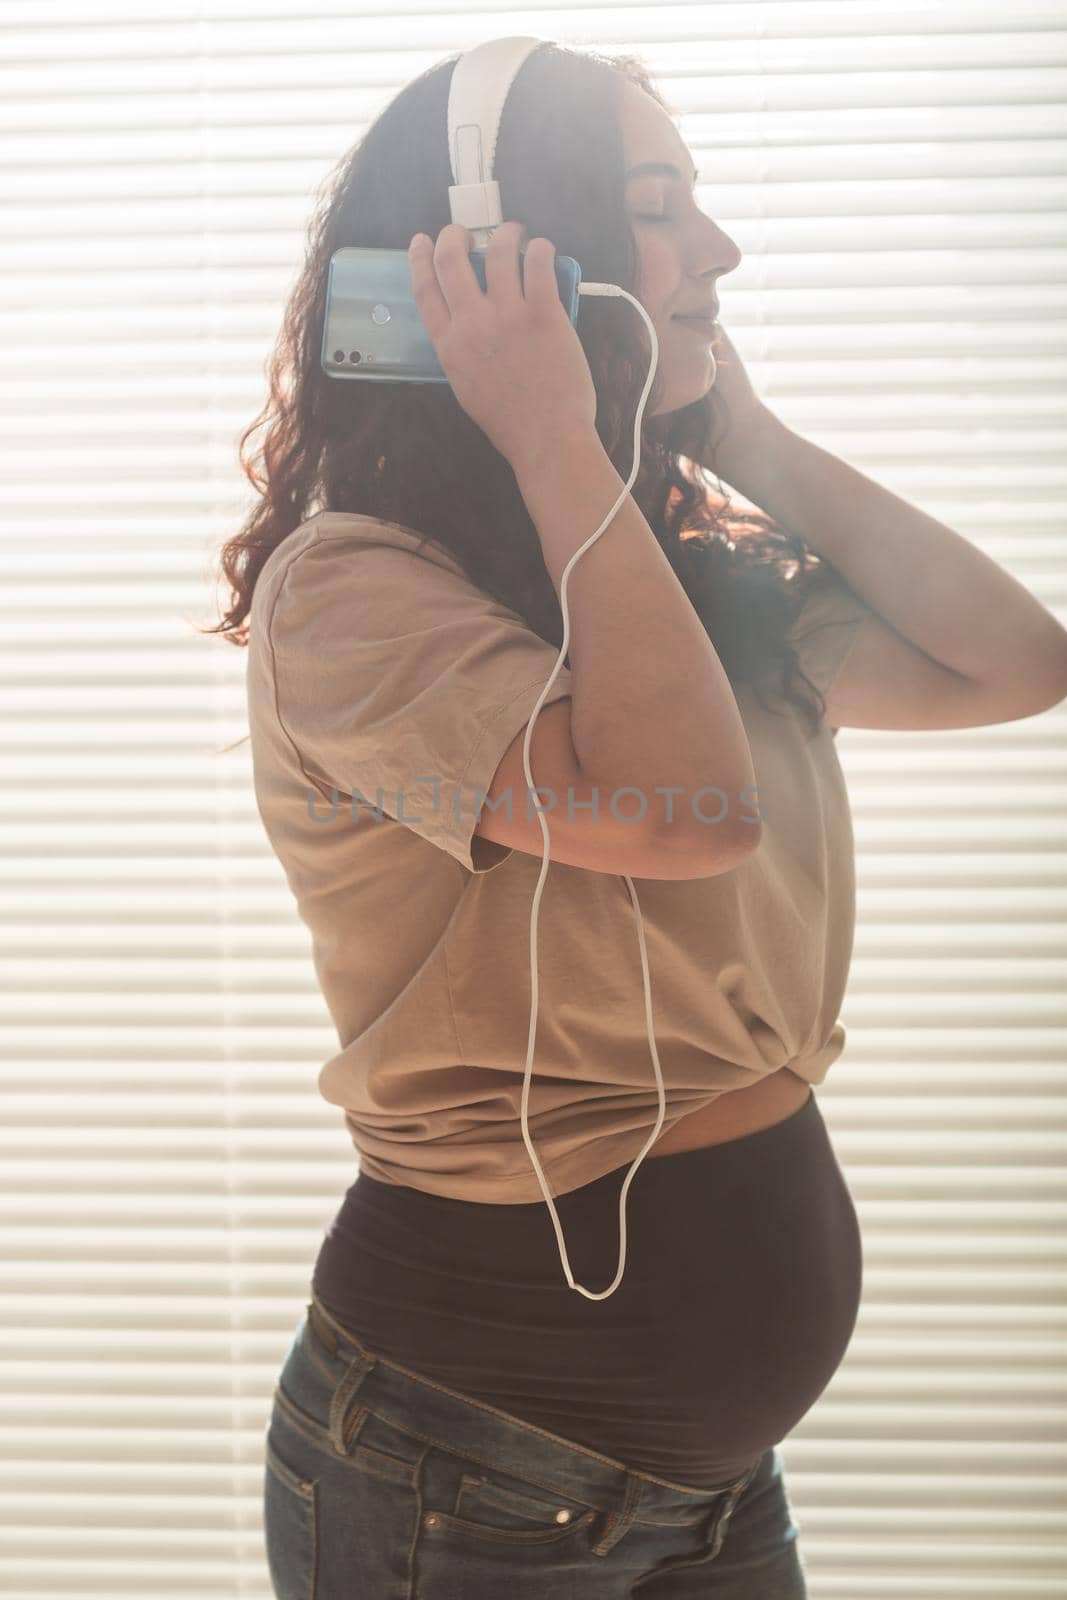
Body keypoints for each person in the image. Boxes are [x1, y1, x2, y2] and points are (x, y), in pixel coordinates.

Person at [204, 38, 1067, 1600]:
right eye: (661, 207)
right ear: (501, 262)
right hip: (466, 1466)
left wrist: (743, 440)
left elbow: (1016, 664)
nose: (721, 251)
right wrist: (552, 428)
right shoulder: (349, 598)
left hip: (707, 1481)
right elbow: (685, 817)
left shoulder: (675, 570)